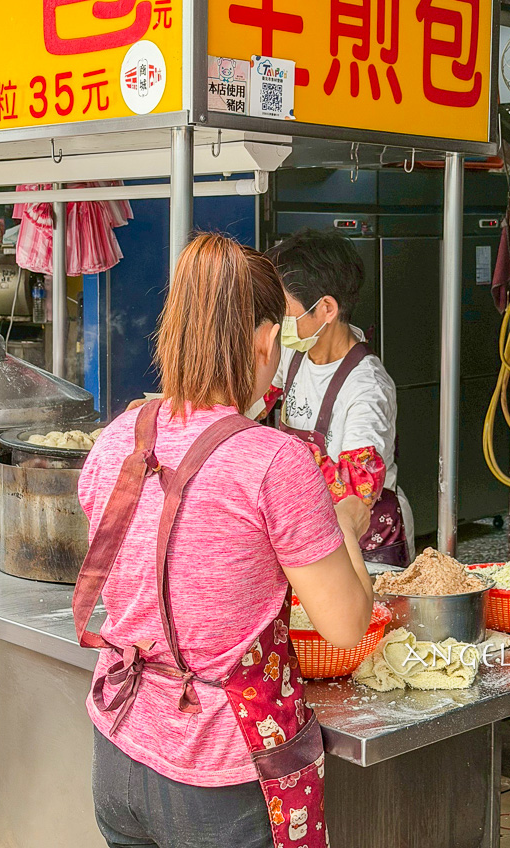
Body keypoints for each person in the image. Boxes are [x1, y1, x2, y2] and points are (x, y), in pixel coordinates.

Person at [74, 233, 372, 848]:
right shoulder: (275, 461)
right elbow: (346, 625)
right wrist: (343, 522)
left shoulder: (116, 439)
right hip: (221, 775)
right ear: (264, 340)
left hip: (118, 752)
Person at [265, 229, 415, 567]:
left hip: (363, 537)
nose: (277, 321)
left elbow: (358, 486)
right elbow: (253, 399)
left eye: (283, 309)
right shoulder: (293, 353)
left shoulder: (367, 386)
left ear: (326, 309)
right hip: (308, 527)